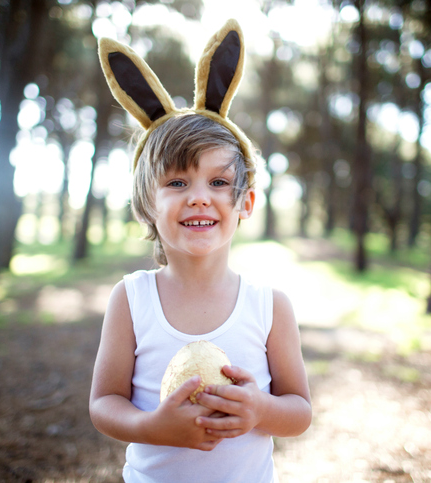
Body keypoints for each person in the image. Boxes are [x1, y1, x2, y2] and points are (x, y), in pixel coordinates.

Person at [89, 19, 311, 483]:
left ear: (244, 203)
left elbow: (299, 411)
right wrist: (151, 426)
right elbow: (104, 404)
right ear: (148, 203)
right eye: (176, 182)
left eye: (218, 182)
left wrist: (260, 410)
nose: (198, 196)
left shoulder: (269, 307)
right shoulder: (131, 300)